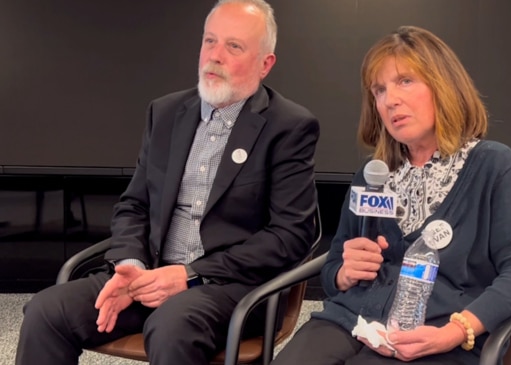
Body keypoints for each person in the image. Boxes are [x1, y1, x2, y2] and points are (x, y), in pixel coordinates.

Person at [15, 0, 320, 364]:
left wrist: (190, 275)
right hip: (149, 275)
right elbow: (134, 205)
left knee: (172, 324)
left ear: (265, 64)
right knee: (46, 312)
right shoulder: (166, 113)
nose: (215, 56)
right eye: (209, 41)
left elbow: (291, 234)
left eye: (233, 46)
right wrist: (131, 264)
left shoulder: (288, 127)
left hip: (228, 288)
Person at [272, 26, 511, 365]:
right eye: (379, 90)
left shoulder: (491, 164)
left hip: (438, 333)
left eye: (405, 81)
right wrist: (345, 272)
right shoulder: (373, 174)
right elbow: (333, 271)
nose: (390, 100)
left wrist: (455, 331)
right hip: (351, 321)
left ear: (443, 86)